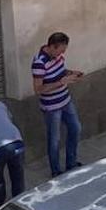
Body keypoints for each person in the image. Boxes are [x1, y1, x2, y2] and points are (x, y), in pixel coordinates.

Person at [32, 32, 83, 177]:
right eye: (60, 50)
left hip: (66, 100)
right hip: (51, 107)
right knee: (54, 139)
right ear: (53, 47)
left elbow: (61, 71)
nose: (62, 53)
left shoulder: (57, 56)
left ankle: (71, 163)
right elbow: (38, 89)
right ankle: (55, 171)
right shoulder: (39, 63)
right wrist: (62, 82)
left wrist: (72, 73)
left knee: (76, 129)